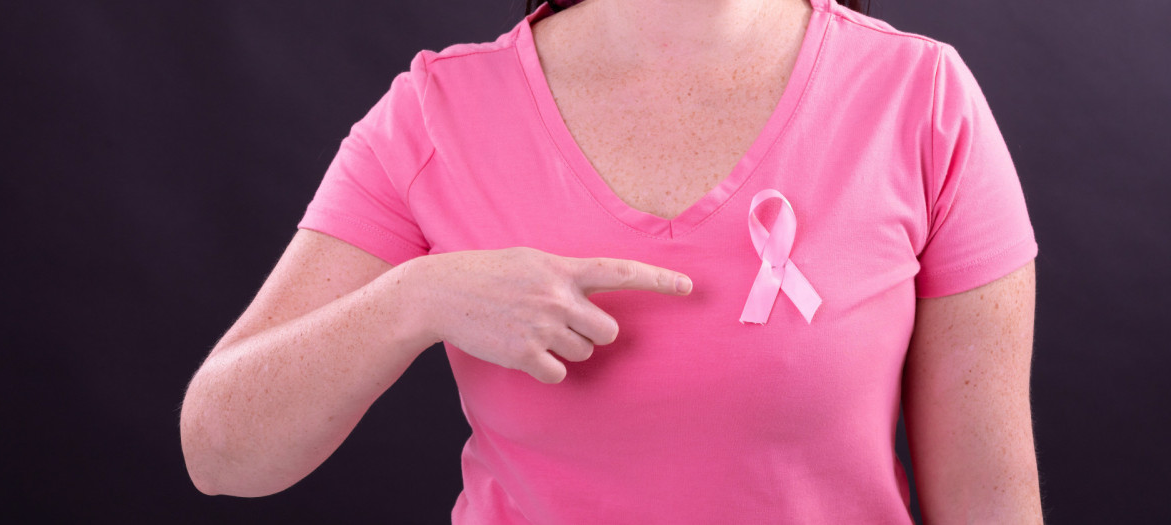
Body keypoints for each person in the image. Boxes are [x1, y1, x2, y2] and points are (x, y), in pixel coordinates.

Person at [180, 0, 1044, 522]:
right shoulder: (435, 116)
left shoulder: (923, 101)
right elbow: (222, 451)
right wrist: (418, 297)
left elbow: (990, 503)